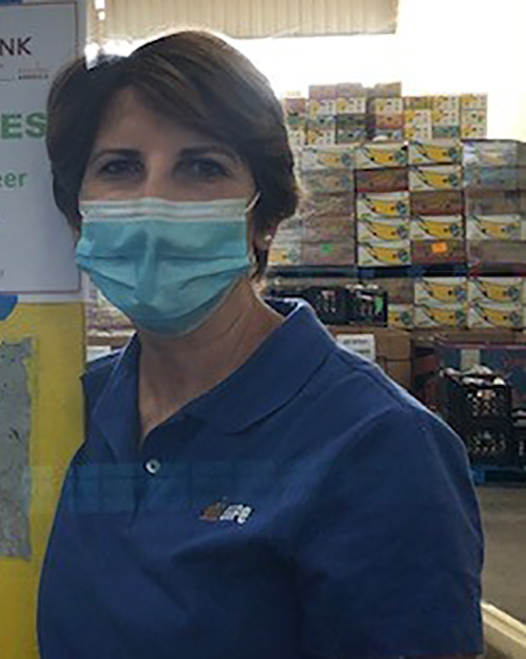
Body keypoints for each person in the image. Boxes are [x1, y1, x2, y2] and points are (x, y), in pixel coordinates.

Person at [37, 31, 483, 659]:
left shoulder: (378, 446)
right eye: (120, 167)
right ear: (77, 211)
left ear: (264, 217)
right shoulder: (95, 403)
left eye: (201, 167)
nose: (154, 201)